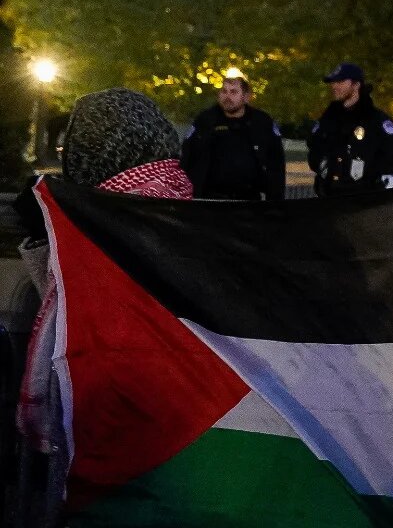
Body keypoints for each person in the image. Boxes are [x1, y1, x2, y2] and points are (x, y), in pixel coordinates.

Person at [17, 88, 196, 528]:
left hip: (113, 426)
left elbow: (75, 322)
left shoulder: (101, 227)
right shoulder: (183, 209)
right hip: (180, 432)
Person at [181, 74, 287, 201]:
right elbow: (187, 157)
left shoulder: (261, 123)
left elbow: (276, 164)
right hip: (209, 200)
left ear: (246, 97)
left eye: (233, 92)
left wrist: (275, 203)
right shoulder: (205, 121)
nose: (227, 96)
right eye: (224, 91)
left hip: (248, 201)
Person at [307, 63, 393, 196]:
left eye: (341, 81)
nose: (335, 86)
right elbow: (314, 151)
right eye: (333, 82)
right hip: (329, 199)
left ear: (356, 84)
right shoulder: (328, 119)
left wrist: (371, 181)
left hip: (366, 202)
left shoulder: (377, 121)